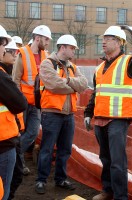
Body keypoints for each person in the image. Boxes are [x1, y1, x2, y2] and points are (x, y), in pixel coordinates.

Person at [84, 25, 132, 200]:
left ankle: (121, 197)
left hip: (118, 120)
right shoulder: (99, 68)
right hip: (100, 119)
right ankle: (108, 191)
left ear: (120, 42)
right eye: (104, 38)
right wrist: (87, 113)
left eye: (109, 38)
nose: (104, 41)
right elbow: (96, 93)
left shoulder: (128, 63)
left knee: (117, 162)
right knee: (105, 159)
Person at [35, 34, 88, 194]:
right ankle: (41, 180)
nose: (74, 52)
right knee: (47, 148)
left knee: (65, 149)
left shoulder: (71, 66)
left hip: (68, 114)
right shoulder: (47, 64)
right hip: (51, 114)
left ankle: (60, 179)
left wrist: (67, 81)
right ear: (62, 47)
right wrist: (73, 85)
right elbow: (54, 85)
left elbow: (84, 84)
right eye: (72, 48)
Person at [12, 25, 52, 175]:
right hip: (22, 103)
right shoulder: (22, 53)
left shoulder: (46, 56)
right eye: (46, 39)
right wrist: (17, 101)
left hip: (37, 104)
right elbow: (15, 80)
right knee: (20, 133)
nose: (47, 42)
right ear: (37, 38)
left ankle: (13, 154)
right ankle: (19, 164)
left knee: (33, 133)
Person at [0, 25, 28, 200]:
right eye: (3, 46)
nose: (5, 51)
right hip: (3, 143)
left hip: (9, 137)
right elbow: (20, 103)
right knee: (3, 191)